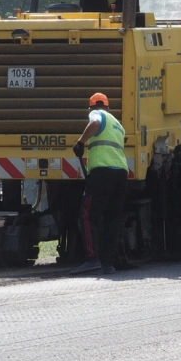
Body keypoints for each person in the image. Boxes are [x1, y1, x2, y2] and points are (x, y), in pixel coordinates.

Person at [69, 92, 128, 275]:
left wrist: (81, 142)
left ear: (91, 107)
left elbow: (94, 124)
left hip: (102, 172)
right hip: (121, 173)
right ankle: (107, 263)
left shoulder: (97, 114)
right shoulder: (118, 125)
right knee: (112, 219)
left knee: (87, 215)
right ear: (109, 107)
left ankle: (92, 258)